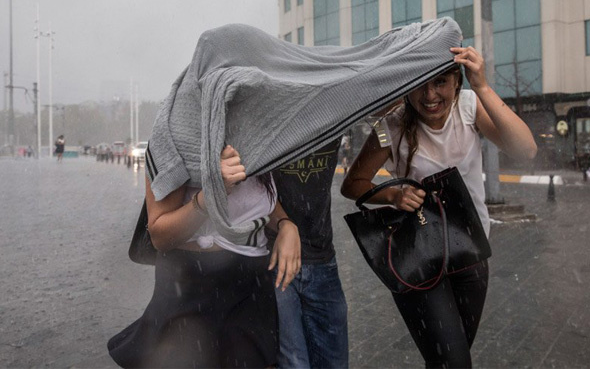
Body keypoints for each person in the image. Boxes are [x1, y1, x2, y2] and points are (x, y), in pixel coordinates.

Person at [341, 46, 537, 368]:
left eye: (441, 83)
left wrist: (483, 86)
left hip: (471, 252)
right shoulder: (390, 126)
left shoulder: (470, 107)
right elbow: (352, 184)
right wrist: (392, 195)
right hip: (418, 258)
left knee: (448, 359)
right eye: (420, 85)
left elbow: (526, 150)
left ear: (456, 83)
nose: (430, 95)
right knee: (455, 362)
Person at [108, 145, 301, 368]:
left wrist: (286, 225)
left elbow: (258, 194)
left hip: (251, 284)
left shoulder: (258, 130)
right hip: (191, 284)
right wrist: (211, 194)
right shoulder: (175, 132)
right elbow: (160, 236)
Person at [265, 138, 349, 368]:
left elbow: (384, 108)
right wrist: (284, 222)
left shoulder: (334, 111)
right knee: (294, 362)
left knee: (335, 362)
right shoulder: (264, 116)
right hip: (273, 258)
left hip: (323, 258)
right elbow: (252, 184)